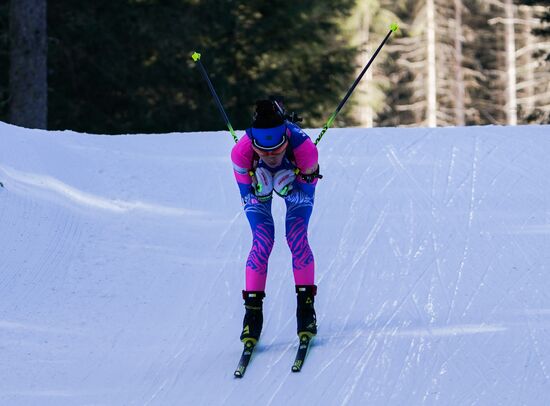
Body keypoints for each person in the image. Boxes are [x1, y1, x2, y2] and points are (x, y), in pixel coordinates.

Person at [231, 98, 322, 345]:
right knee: (262, 241)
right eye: (263, 151)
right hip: (257, 181)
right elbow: (246, 195)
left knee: (296, 237)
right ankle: (252, 315)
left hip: (295, 178)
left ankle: (306, 312)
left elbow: (307, 191)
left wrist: (288, 190)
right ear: (253, 144)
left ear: (286, 140)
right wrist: (259, 192)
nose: (271, 156)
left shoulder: (305, 150)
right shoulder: (241, 153)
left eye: (278, 149)